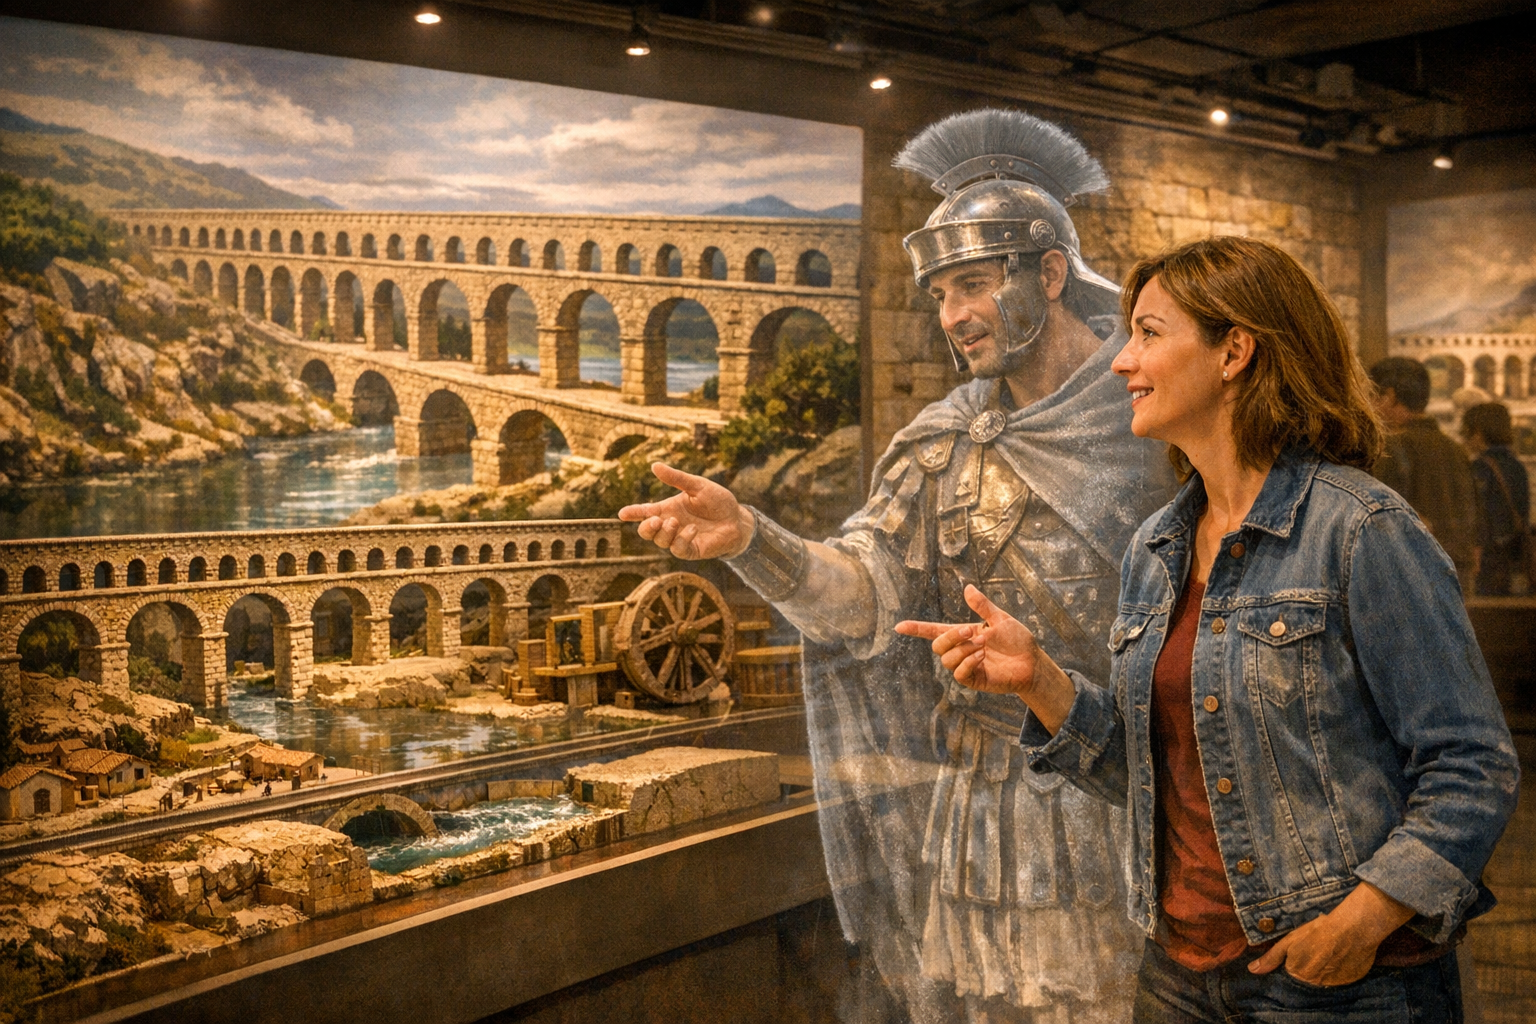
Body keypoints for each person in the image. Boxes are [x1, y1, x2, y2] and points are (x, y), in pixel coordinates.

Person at [620, 109, 1177, 1022]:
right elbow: (865, 595)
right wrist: (752, 538)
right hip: (983, 799)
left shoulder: (1158, 420)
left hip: (1133, 797)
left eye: (972, 284)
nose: (953, 316)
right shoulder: (943, 442)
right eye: (940, 294)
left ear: (1047, 273)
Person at [900, 236, 1519, 1022]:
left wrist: (1361, 923)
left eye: (1149, 334)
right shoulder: (1156, 546)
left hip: (1335, 986)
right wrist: (1039, 681)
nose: (1122, 362)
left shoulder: (1360, 530)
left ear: (1235, 352)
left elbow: (1472, 763)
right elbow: (1151, 774)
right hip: (1177, 972)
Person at [1368, 357, 1480, 584]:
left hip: (1411, 578)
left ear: (1389, 396)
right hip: (1457, 576)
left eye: (1372, 396)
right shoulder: (1456, 449)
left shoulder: (1389, 449)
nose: (1369, 406)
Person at [1464, 401, 1531, 596]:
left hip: (1488, 560)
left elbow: (1481, 517)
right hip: (1515, 558)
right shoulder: (1517, 466)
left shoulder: (1480, 468)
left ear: (1477, 432)